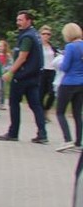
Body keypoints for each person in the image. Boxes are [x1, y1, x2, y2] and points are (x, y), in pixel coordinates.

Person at [0, 10, 48, 143]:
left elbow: (22, 57)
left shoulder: (27, 37)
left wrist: (11, 72)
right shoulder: (35, 34)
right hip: (34, 76)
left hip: (22, 76)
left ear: (28, 21)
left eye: (20, 20)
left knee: (14, 103)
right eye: (17, 20)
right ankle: (42, 134)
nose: (18, 22)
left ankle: (13, 133)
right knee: (36, 105)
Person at [56, 22, 83, 152]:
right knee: (77, 113)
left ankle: (67, 140)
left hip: (68, 82)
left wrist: (59, 62)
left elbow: (65, 67)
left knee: (60, 112)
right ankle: (78, 142)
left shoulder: (70, 47)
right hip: (81, 83)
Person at [40, 25, 60, 116]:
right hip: (41, 71)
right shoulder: (38, 47)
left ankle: (46, 109)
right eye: (44, 34)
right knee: (41, 93)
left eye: (48, 34)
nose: (46, 36)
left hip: (52, 71)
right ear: (40, 35)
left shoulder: (53, 47)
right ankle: (41, 113)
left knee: (52, 93)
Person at [0, 38, 11, 109]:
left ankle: (2, 103)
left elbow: (10, 64)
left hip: (4, 74)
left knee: (3, 89)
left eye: (1, 46)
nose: (0, 48)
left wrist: (6, 70)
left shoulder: (7, 55)